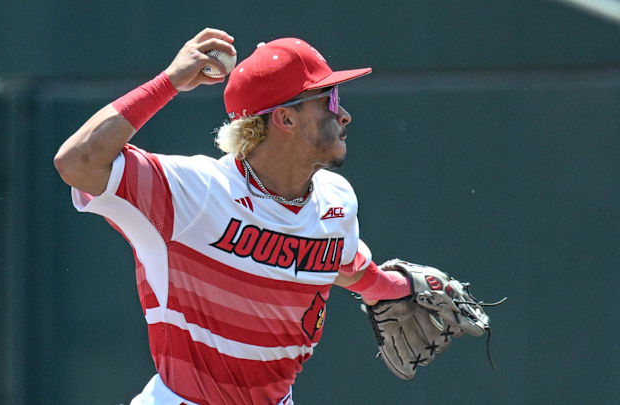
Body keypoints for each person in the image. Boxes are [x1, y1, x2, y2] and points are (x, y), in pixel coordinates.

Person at [54, 28, 412, 405]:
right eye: (329, 98)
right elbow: (76, 162)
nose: (344, 115)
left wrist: (396, 289)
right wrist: (169, 82)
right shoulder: (193, 192)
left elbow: (340, 263)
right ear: (285, 119)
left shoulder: (336, 201)